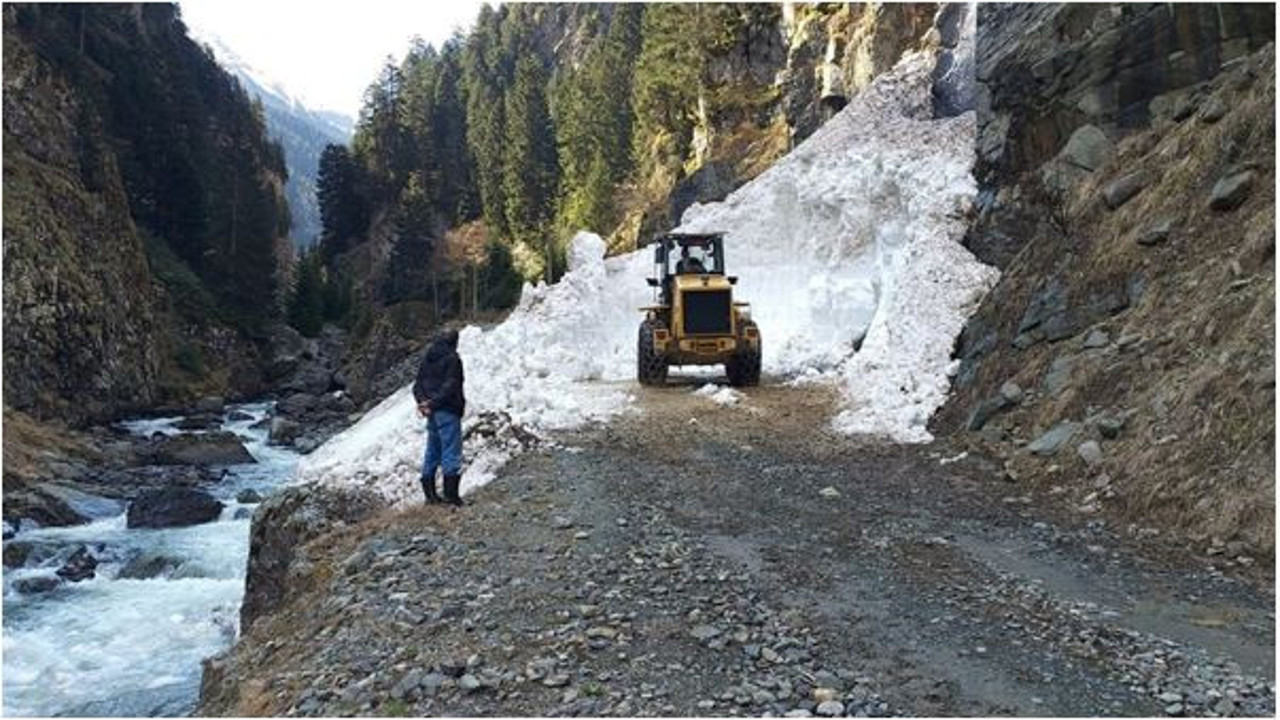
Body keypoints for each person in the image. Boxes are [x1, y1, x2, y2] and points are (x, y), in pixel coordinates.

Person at [413, 328, 466, 507]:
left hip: (431, 412)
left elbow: (417, 385)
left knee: (432, 451)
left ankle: (430, 496)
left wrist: (423, 403)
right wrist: (435, 403)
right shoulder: (453, 359)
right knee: (451, 450)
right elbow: (451, 385)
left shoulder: (428, 358)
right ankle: (451, 496)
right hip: (447, 409)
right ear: (454, 341)